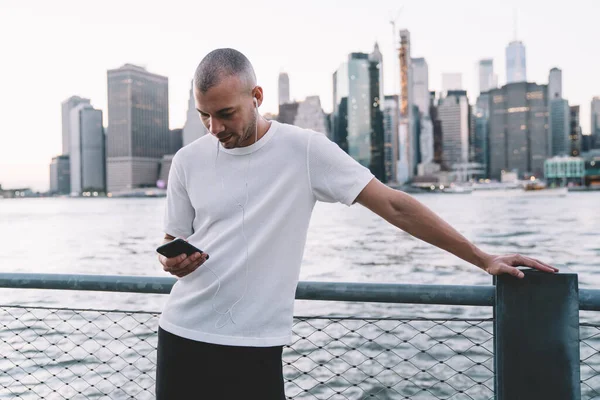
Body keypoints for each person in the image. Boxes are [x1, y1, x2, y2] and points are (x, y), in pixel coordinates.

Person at [155, 48, 558, 399]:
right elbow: (174, 242)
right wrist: (173, 262)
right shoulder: (187, 161)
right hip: (181, 337)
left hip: (256, 347)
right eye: (204, 116)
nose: (215, 129)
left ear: (257, 96)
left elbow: (393, 205)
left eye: (226, 114)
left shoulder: (305, 150)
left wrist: (482, 258)